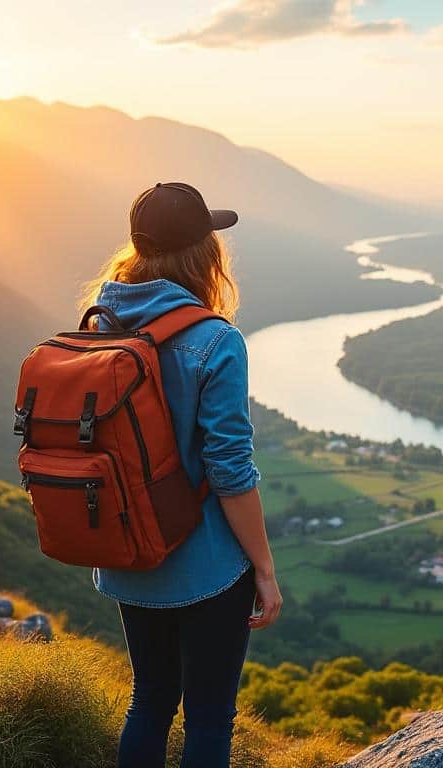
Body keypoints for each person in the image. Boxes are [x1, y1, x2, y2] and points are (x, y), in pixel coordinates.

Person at [82, 182, 282, 768]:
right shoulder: (215, 339)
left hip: (127, 552)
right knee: (210, 717)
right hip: (208, 567)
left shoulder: (101, 322)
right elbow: (229, 470)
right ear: (204, 253)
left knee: (149, 701)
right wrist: (264, 571)